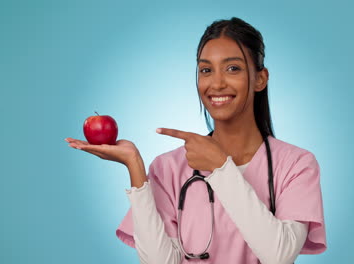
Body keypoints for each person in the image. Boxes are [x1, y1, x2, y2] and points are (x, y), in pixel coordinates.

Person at [65, 17, 327, 263]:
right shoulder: (168, 168)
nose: (217, 83)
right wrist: (134, 166)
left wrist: (221, 168)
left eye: (232, 68)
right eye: (205, 70)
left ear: (260, 78)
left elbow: (279, 255)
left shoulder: (297, 165)